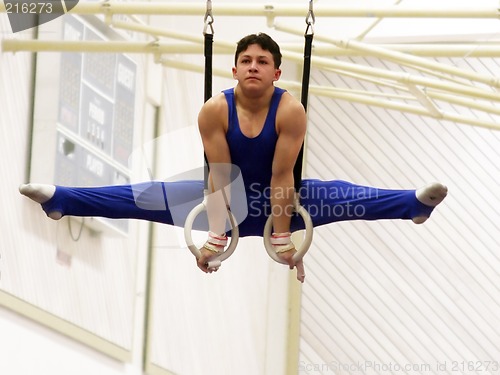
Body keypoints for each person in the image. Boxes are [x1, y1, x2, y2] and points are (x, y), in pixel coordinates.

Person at [19, 33, 447, 283]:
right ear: (234, 69)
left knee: (346, 196)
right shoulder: (214, 110)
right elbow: (219, 177)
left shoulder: (291, 109)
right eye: (246, 60)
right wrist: (216, 239)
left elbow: (283, 176)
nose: (253, 67)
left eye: (263, 61)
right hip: (222, 200)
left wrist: (282, 240)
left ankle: (412, 205)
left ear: (277, 72)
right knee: (142, 196)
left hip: (285, 200)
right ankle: (63, 200)